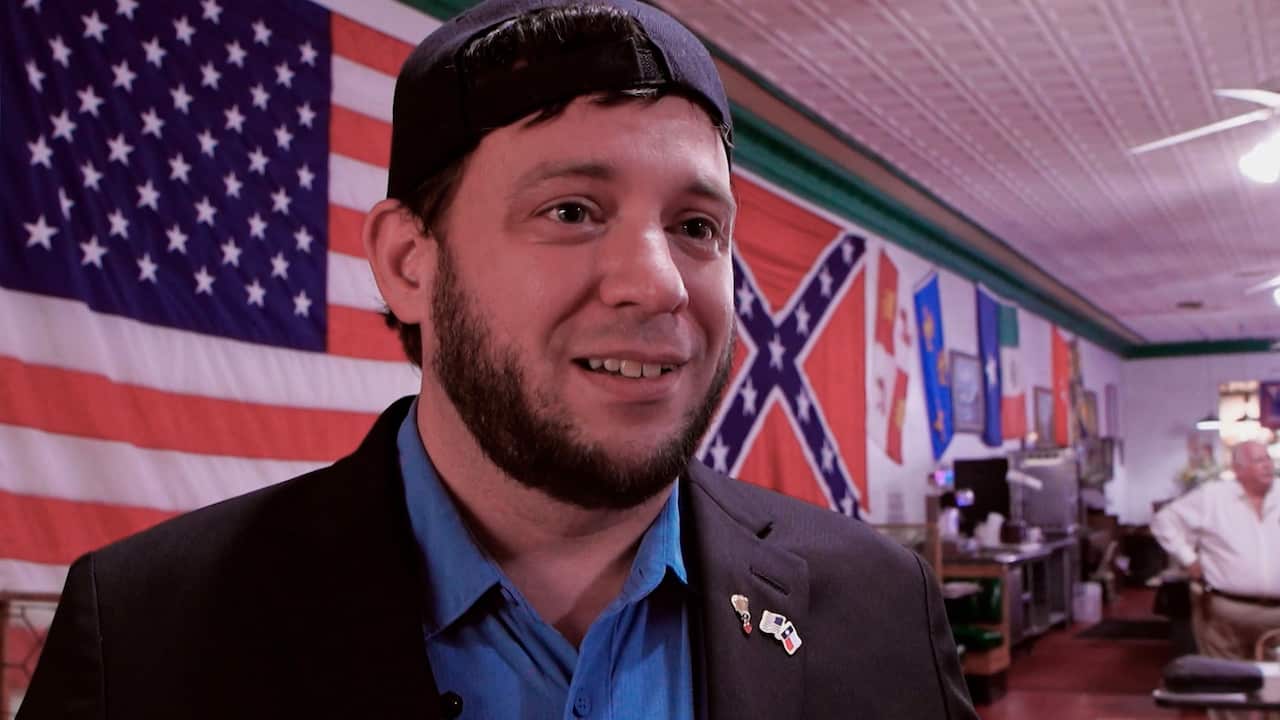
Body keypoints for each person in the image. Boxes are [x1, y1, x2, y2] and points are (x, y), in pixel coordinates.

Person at [19, 1, 975, 717]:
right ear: (410, 263)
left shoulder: (879, 609)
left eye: (695, 226)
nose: (659, 285)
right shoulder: (147, 637)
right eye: (572, 210)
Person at [1152, 440, 1280, 719]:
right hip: (1226, 612)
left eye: (1268, 459)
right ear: (1238, 469)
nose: (1267, 466)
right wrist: (1189, 559)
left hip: (1276, 616)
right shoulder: (1213, 497)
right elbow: (1164, 522)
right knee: (1227, 691)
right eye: (1258, 460)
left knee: (1276, 692)